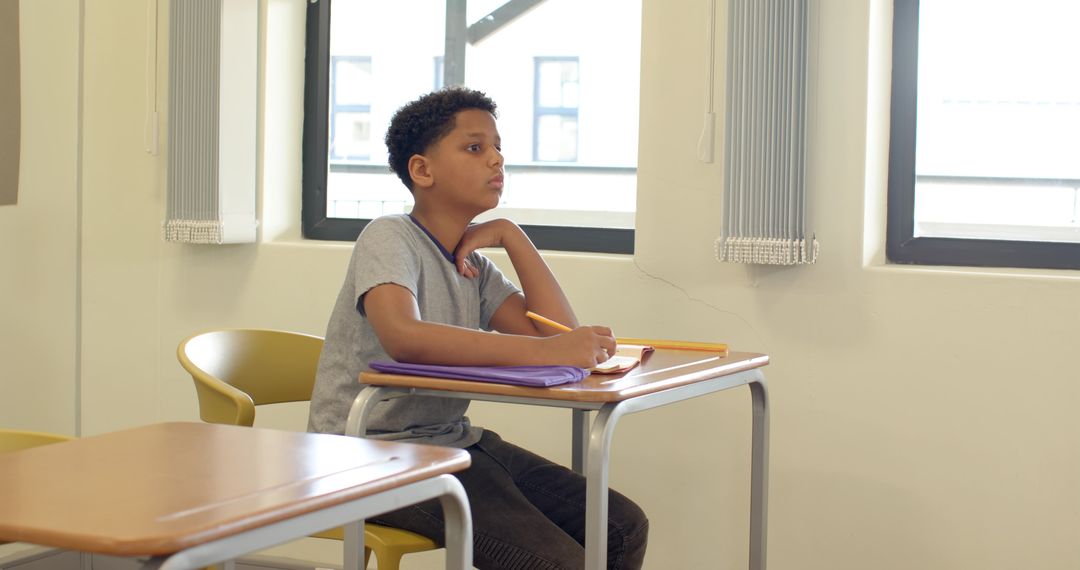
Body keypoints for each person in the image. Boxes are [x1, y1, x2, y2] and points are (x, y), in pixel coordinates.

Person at [308, 87, 648, 569]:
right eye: (475, 147)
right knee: (557, 562)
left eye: (498, 147)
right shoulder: (388, 236)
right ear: (422, 170)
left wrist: (513, 236)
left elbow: (558, 337)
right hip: (368, 455)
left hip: (449, 440)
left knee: (620, 526)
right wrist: (556, 350)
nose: (497, 160)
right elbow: (405, 338)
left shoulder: (474, 266)